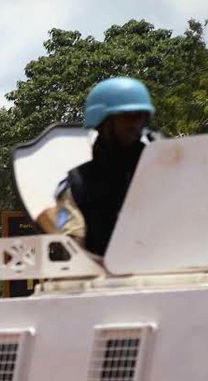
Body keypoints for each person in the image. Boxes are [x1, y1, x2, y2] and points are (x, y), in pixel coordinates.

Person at [40, 77, 158, 256]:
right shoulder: (76, 185)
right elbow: (73, 253)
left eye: (141, 116)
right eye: (127, 116)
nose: (135, 124)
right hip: (103, 280)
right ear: (103, 123)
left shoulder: (162, 173)